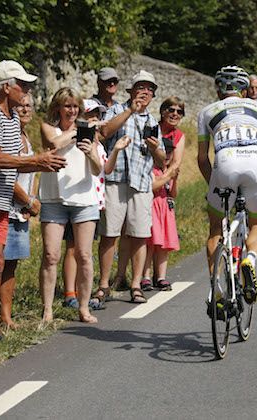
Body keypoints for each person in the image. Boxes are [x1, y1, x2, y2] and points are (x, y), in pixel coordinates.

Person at [0, 60, 66, 343]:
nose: (27, 89)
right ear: (6, 87)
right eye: (22, 84)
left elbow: (13, 164)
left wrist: (42, 165)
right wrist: (37, 159)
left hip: (1, 201)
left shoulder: (11, 118)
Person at [197, 65, 257, 304]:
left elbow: (203, 159)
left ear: (218, 91)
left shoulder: (206, 112)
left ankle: (216, 288)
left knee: (216, 228)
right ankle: (250, 259)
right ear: (245, 91)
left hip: (225, 163)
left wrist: (213, 186)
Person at [95, 70, 165, 305]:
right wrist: (129, 111)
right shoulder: (116, 109)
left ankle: (136, 284)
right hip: (116, 179)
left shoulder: (153, 121)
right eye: (141, 87)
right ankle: (104, 284)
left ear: (153, 95)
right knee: (109, 234)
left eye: (149, 89)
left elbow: (162, 160)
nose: (145, 92)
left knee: (139, 235)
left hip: (141, 183)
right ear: (132, 91)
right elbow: (104, 132)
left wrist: (155, 148)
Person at [38, 88, 102, 324]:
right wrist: (76, 133)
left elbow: (97, 169)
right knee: (50, 255)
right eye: (67, 106)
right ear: (58, 108)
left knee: (84, 255)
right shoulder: (49, 127)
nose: (72, 111)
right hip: (53, 198)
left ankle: (84, 308)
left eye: (75, 106)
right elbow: (54, 143)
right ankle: (47, 311)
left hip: (84, 199)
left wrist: (89, 153)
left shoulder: (88, 131)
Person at [60, 99, 108, 310]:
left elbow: (102, 170)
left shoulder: (97, 144)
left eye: (99, 115)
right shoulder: (72, 136)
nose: (96, 118)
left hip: (92, 199)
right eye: (91, 115)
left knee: (84, 250)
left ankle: (81, 294)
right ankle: (70, 292)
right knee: (72, 247)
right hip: (73, 196)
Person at [0, 93, 40, 330]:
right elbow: (8, 176)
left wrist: (30, 200)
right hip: (9, 207)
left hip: (21, 209)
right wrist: (27, 202)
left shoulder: (25, 137)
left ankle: (6, 315)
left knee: (11, 264)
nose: (25, 110)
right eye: (21, 106)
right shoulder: (11, 136)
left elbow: (30, 175)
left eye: (29, 106)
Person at [140, 96, 186, 291]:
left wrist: (167, 179)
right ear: (163, 111)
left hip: (164, 192)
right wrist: (164, 177)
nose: (174, 114)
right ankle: (145, 275)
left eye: (179, 111)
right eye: (171, 110)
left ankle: (161, 276)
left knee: (163, 240)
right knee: (150, 238)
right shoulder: (152, 127)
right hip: (152, 183)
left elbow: (176, 164)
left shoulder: (178, 136)